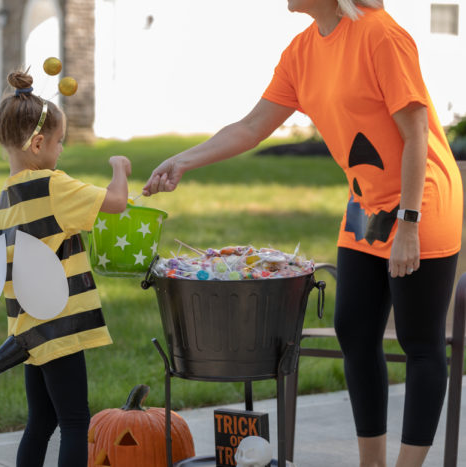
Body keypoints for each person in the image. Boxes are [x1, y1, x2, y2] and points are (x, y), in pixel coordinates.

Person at [142, 1, 462, 466]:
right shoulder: (302, 50)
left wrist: (410, 225)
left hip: (421, 201)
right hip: (365, 205)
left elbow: (416, 135)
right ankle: (371, 462)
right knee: (353, 330)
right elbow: (253, 127)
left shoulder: (381, 36)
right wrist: (183, 160)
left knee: (420, 342)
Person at [0, 70, 131, 467]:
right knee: (74, 421)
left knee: (41, 420)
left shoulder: (7, 196)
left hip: (28, 327)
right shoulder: (53, 186)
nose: (60, 150)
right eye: (58, 142)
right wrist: (119, 166)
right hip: (60, 323)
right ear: (37, 144)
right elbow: (117, 202)